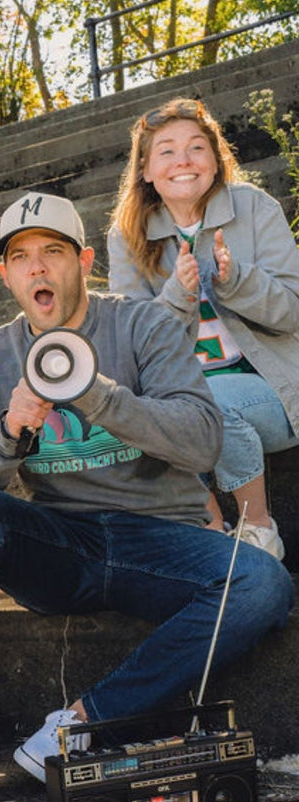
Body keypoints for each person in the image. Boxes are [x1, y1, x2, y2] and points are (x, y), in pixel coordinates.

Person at [0, 191, 293, 795]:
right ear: (6, 275)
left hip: (161, 538)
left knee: (264, 584)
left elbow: (203, 443)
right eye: (21, 257)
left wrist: (97, 394)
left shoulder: (141, 323)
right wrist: (9, 432)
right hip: (64, 542)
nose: (38, 267)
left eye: (53, 251)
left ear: (84, 260)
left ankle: (83, 723)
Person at [107, 96, 299, 559]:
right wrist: (177, 296)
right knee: (146, 410)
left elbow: (295, 309)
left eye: (196, 147)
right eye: (167, 151)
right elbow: (131, 344)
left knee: (202, 404)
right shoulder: (127, 235)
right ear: (147, 171)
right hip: (182, 399)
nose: (183, 161)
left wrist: (237, 282)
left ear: (216, 161)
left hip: (274, 389)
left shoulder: (254, 208)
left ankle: (258, 528)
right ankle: (211, 528)